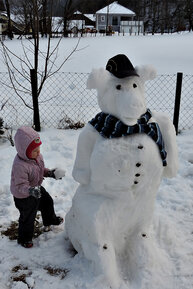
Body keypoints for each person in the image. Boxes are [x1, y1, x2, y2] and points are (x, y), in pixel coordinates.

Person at [10, 126, 66, 248]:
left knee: (47, 202)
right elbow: (20, 185)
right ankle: (24, 239)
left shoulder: (37, 157)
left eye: (39, 148)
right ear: (23, 150)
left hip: (36, 188)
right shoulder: (20, 165)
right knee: (28, 216)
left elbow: (40, 170)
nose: (38, 152)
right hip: (23, 196)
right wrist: (30, 191)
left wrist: (50, 173)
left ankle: (50, 220)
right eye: (34, 150)